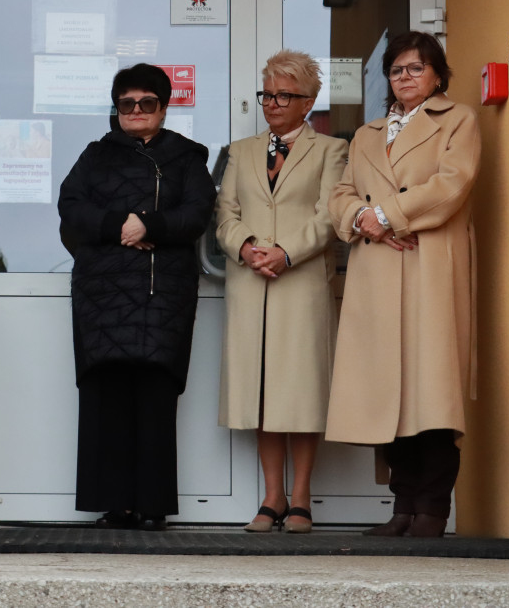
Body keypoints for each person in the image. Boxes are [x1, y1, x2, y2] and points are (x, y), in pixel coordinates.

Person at [325, 31, 480, 538]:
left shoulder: (458, 120)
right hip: (376, 271)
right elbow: (341, 193)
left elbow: (452, 184)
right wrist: (363, 218)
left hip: (427, 267)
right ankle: (402, 507)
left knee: (431, 394)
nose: (405, 77)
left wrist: (388, 214)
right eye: (397, 70)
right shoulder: (367, 133)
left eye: (416, 68)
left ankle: (431, 510)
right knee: (384, 393)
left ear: (437, 75)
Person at [58, 63, 216, 532]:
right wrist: (119, 227)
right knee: (106, 396)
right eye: (126, 103)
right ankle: (114, 506)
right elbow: (71, 207)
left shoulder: (186, 157)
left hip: (161, 292)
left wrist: (150, 225)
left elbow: (197, 213)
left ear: (163, 108)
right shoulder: (95, 155)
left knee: (154, 396)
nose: (136, 110)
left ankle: (151, 506)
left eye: (147, 102)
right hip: (102, 294)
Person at [215, 51, 347, 534]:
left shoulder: (331, 150)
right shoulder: (241, 151)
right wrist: (246, 246)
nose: (272, 103)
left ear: (308, 102)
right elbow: (225, 213)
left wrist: (286, 252)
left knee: (302, 391)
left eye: (284, 95)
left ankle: (301, 498)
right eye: (267, 94)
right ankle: (272, 498)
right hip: (250, 284)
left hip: (302, 284)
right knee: (262, 392)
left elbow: (330, 215)